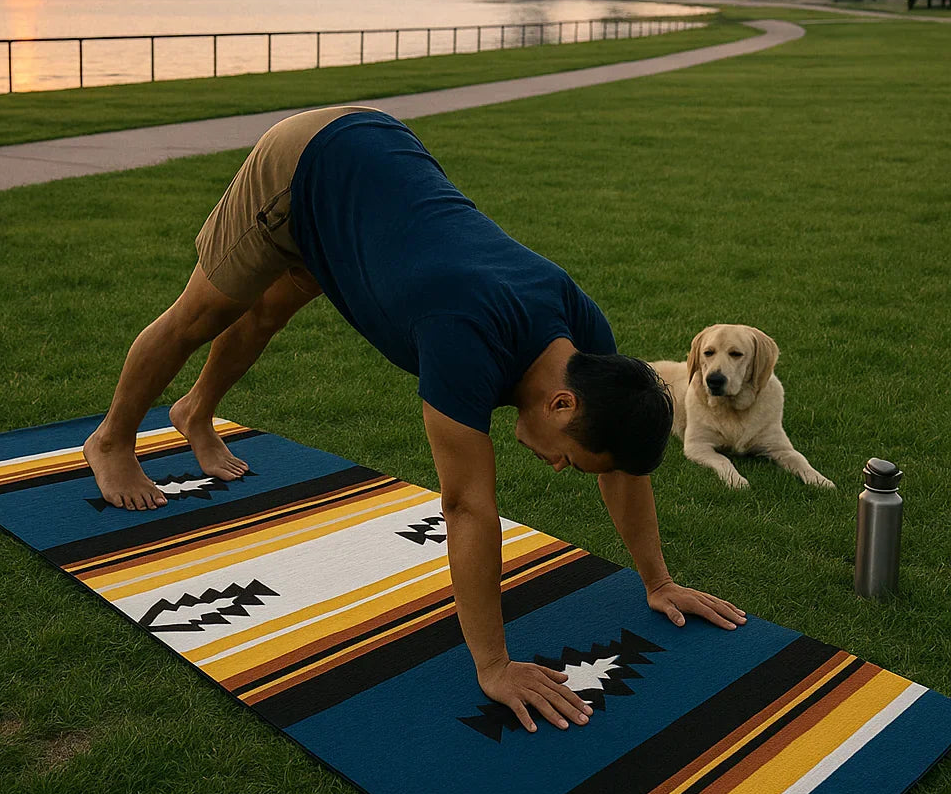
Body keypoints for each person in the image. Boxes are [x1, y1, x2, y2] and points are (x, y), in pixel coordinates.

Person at [84, 104, 746, 735]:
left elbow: (620, 469)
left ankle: (194, 413)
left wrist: (658, 581)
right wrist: (494, 666)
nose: (559, 465)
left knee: (266, 311)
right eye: (570, 457)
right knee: (204, 312)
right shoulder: (465, 339)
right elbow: (466, 508)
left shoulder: (588, 345)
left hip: (376, 186)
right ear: (562, 403)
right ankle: (110, 440)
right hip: (308, 164)